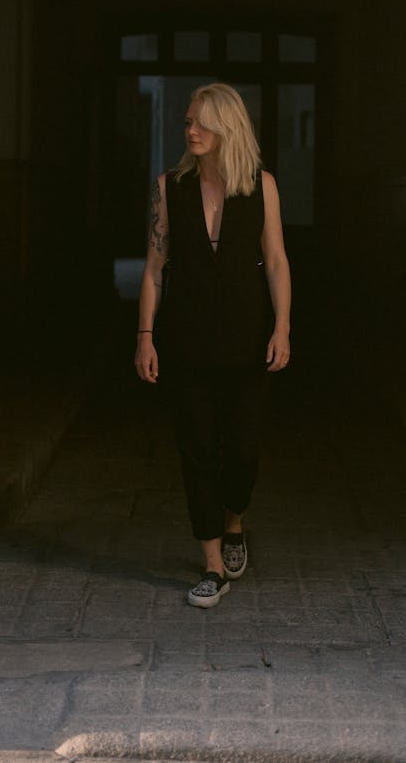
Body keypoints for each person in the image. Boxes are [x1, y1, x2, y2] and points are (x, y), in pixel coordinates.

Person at [135, 82, 291, 608]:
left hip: (249, 339)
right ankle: (211, 565)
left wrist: (283, 327)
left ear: (228, 126)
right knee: (196, 449)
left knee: (242, 450)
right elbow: (154, 269)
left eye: (200, 122)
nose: (191, 130)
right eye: (187, 123)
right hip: (186, 340)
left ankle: (234, 522)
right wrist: (146, 337)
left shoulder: (261, 186)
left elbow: (275, 261)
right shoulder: (168, 187)